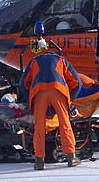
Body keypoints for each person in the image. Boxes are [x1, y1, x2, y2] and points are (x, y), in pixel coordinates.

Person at [19, 29, 82, 170]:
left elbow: (23, 83)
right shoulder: (61, 60)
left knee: (39, 127)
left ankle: (39, 161)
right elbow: (77, 82)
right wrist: (70, 100)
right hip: (58, 91)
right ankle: (71, 158)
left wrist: (27, 97)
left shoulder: (34, 61)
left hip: (39, 92)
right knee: (65, 124)